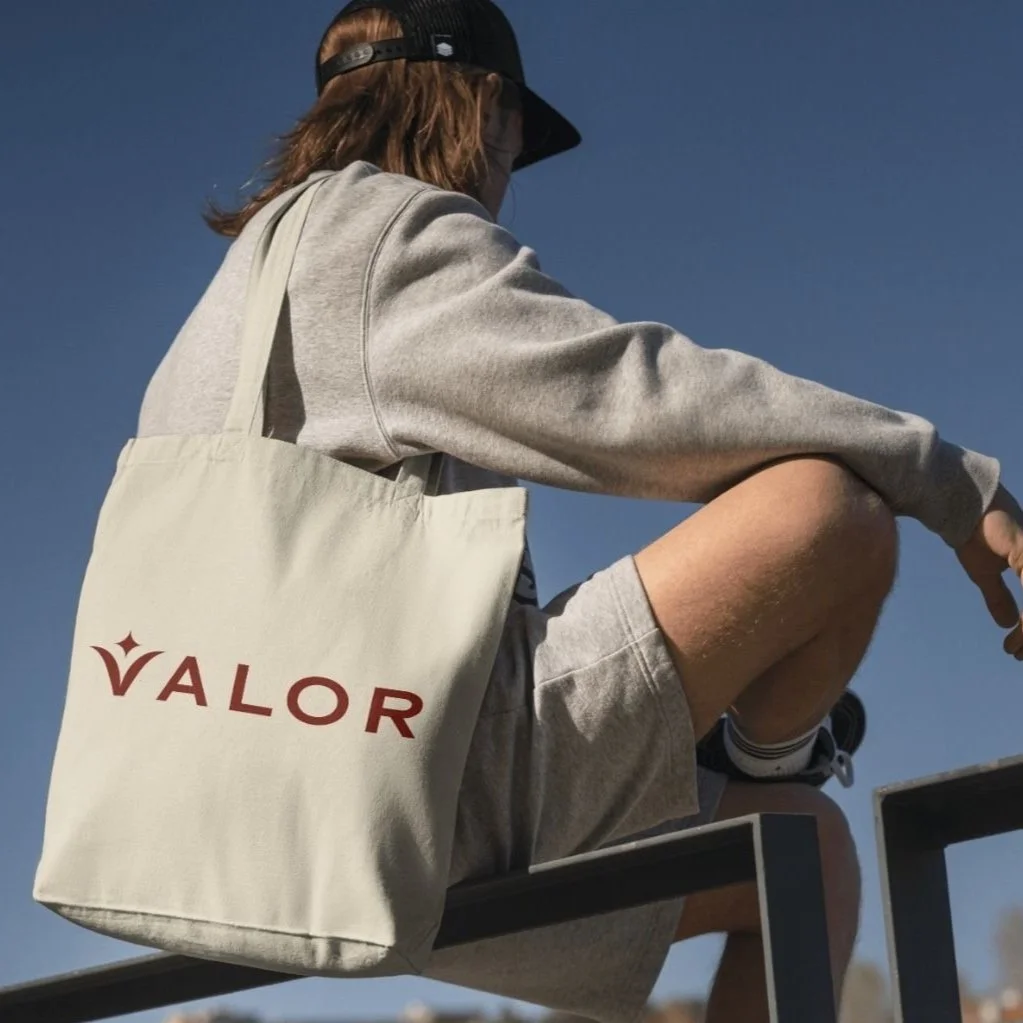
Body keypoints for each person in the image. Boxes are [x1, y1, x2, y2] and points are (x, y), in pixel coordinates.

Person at [137, 1, 1023, 1020]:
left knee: (806, 855)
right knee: (833, 512)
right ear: (484, 108)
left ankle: (766, 768)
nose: (511, 179)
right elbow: (631, 399)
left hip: (248, 815)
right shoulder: (385, 236)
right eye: (517, 143)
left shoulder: (232, 292)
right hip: (409, 788)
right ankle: (766, 753)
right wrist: (951, 480)